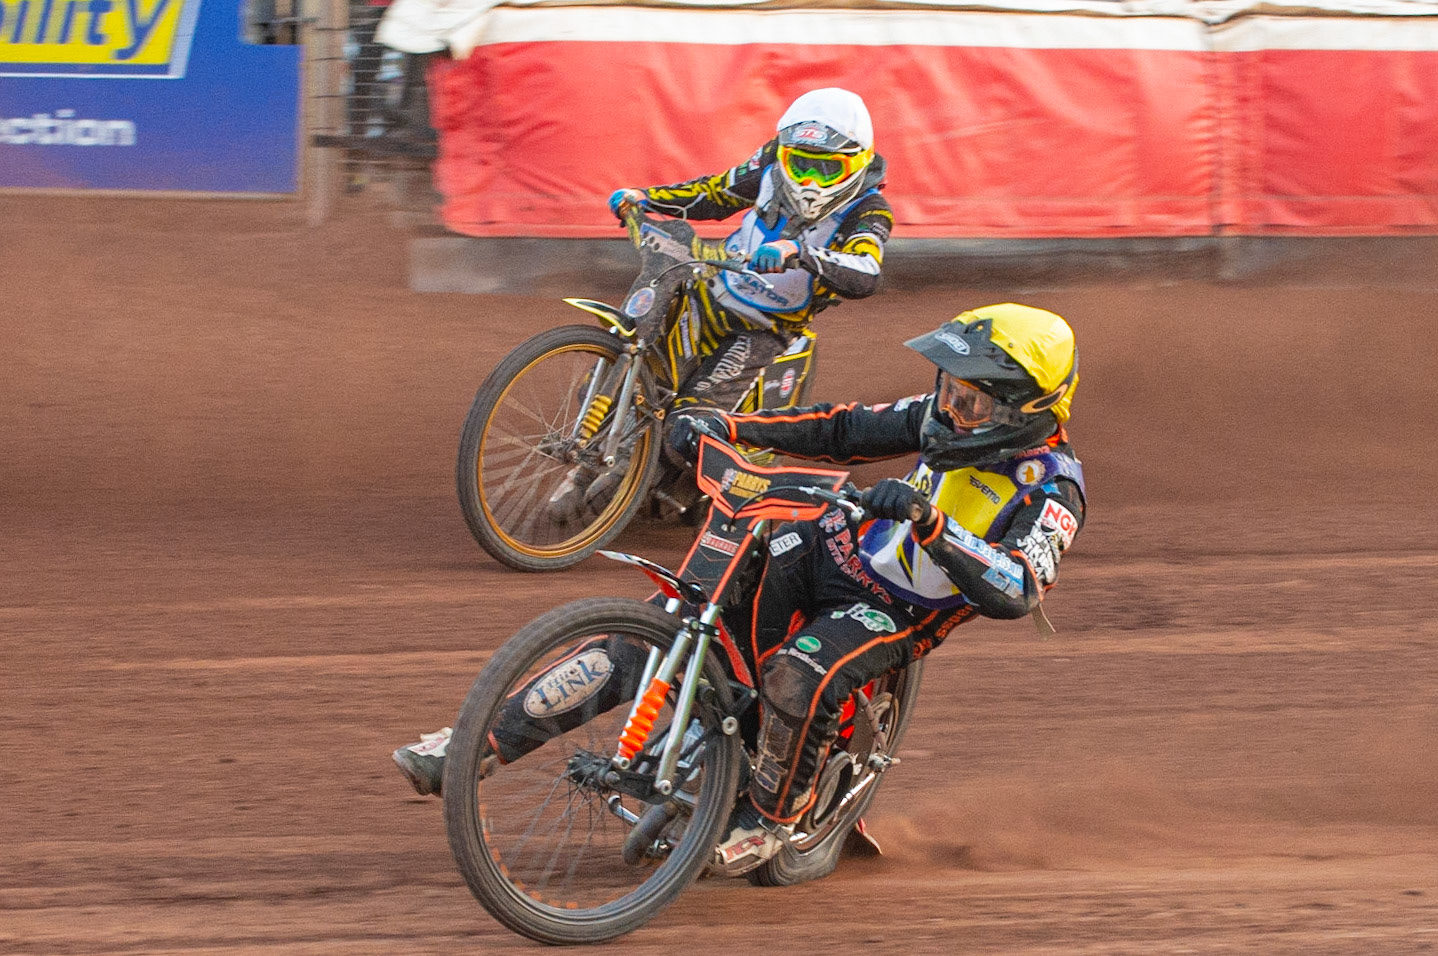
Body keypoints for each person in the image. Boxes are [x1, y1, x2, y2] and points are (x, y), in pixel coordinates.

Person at [394, 303, 1085, 877]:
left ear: (1024, 409)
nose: (949, 407)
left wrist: (932, 523)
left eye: (970, 399)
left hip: (898, 610)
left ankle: (772, 819)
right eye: (947, 386)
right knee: (679, 614)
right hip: (837, 547)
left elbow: (1018, 586)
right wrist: (729, 427)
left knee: (798, 672)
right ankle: (478, 744)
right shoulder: (936, 417)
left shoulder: (1054, 487)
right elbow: (839, 429)